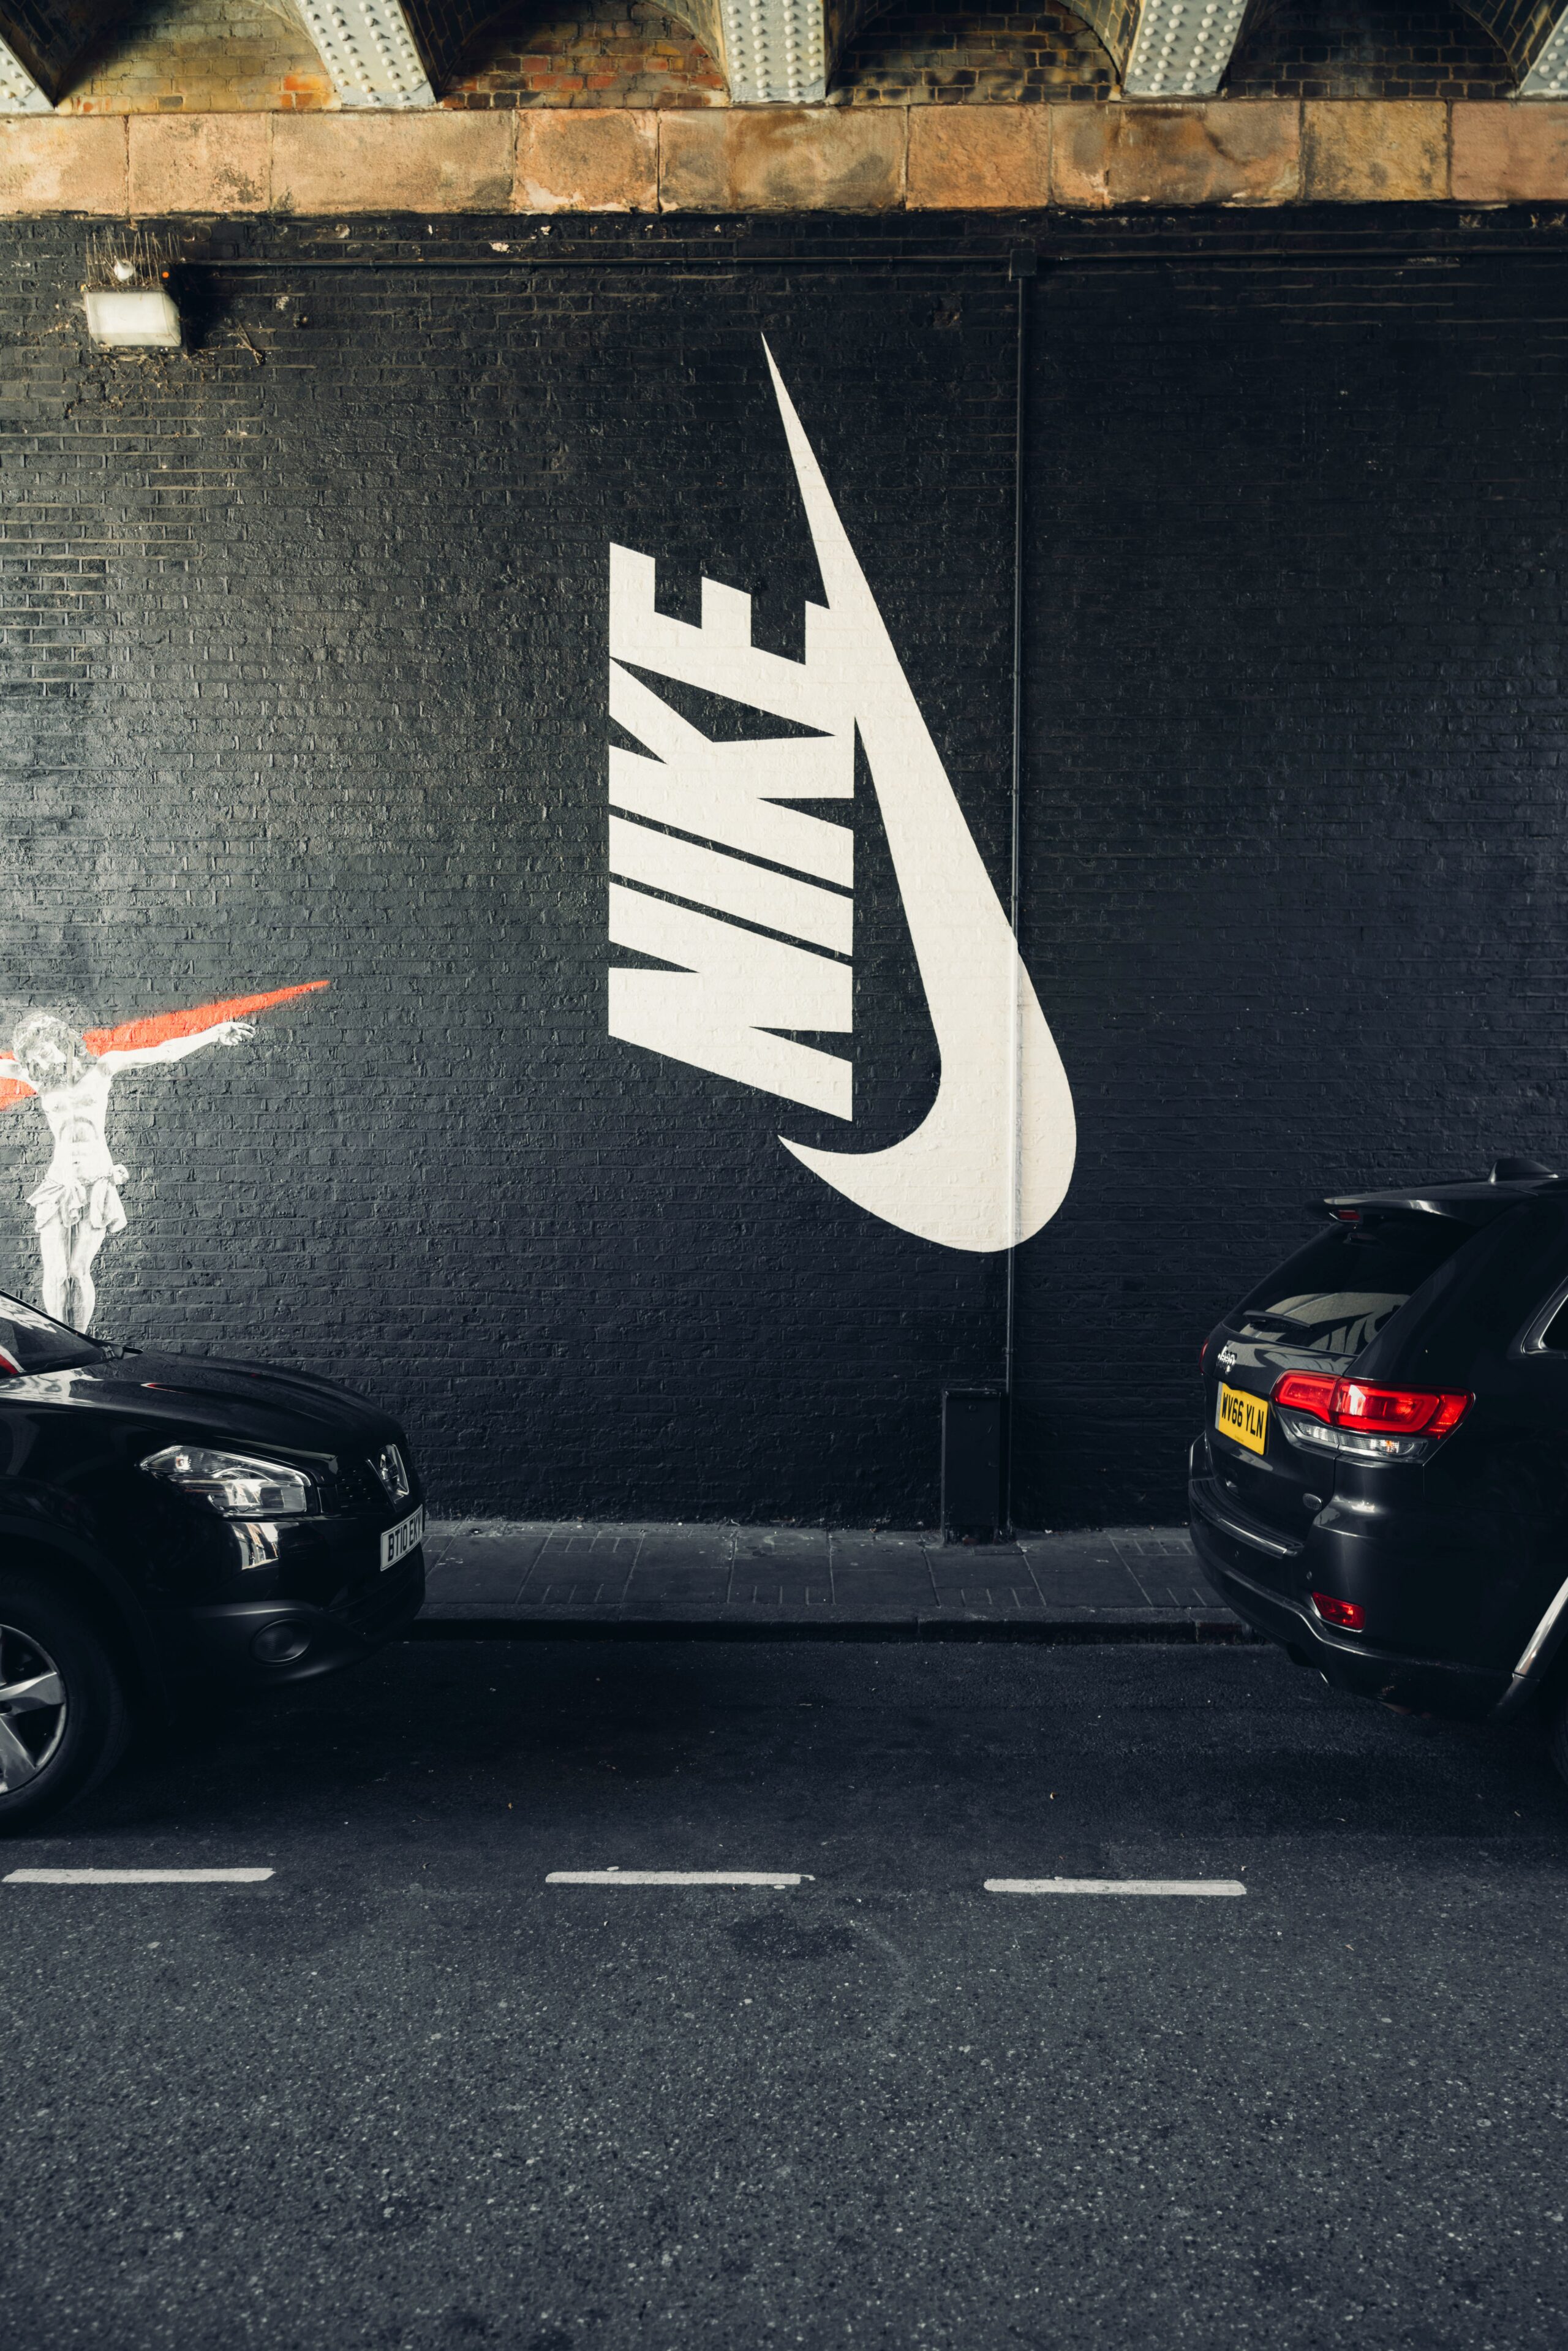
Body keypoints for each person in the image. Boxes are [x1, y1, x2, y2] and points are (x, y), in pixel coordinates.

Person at [5, 1011, 254, 1332]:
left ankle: (80, 1339)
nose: (46, 1059)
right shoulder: (39, 1080)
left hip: (97, 1182)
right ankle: (60, 1340)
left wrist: (213, 1033)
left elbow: (164, 1052)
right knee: (55, 1271)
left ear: (62, 1040)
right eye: (37, 1055)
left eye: (48, 1049)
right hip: (59, 1183)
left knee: (79, 1270)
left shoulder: (104, 1067)